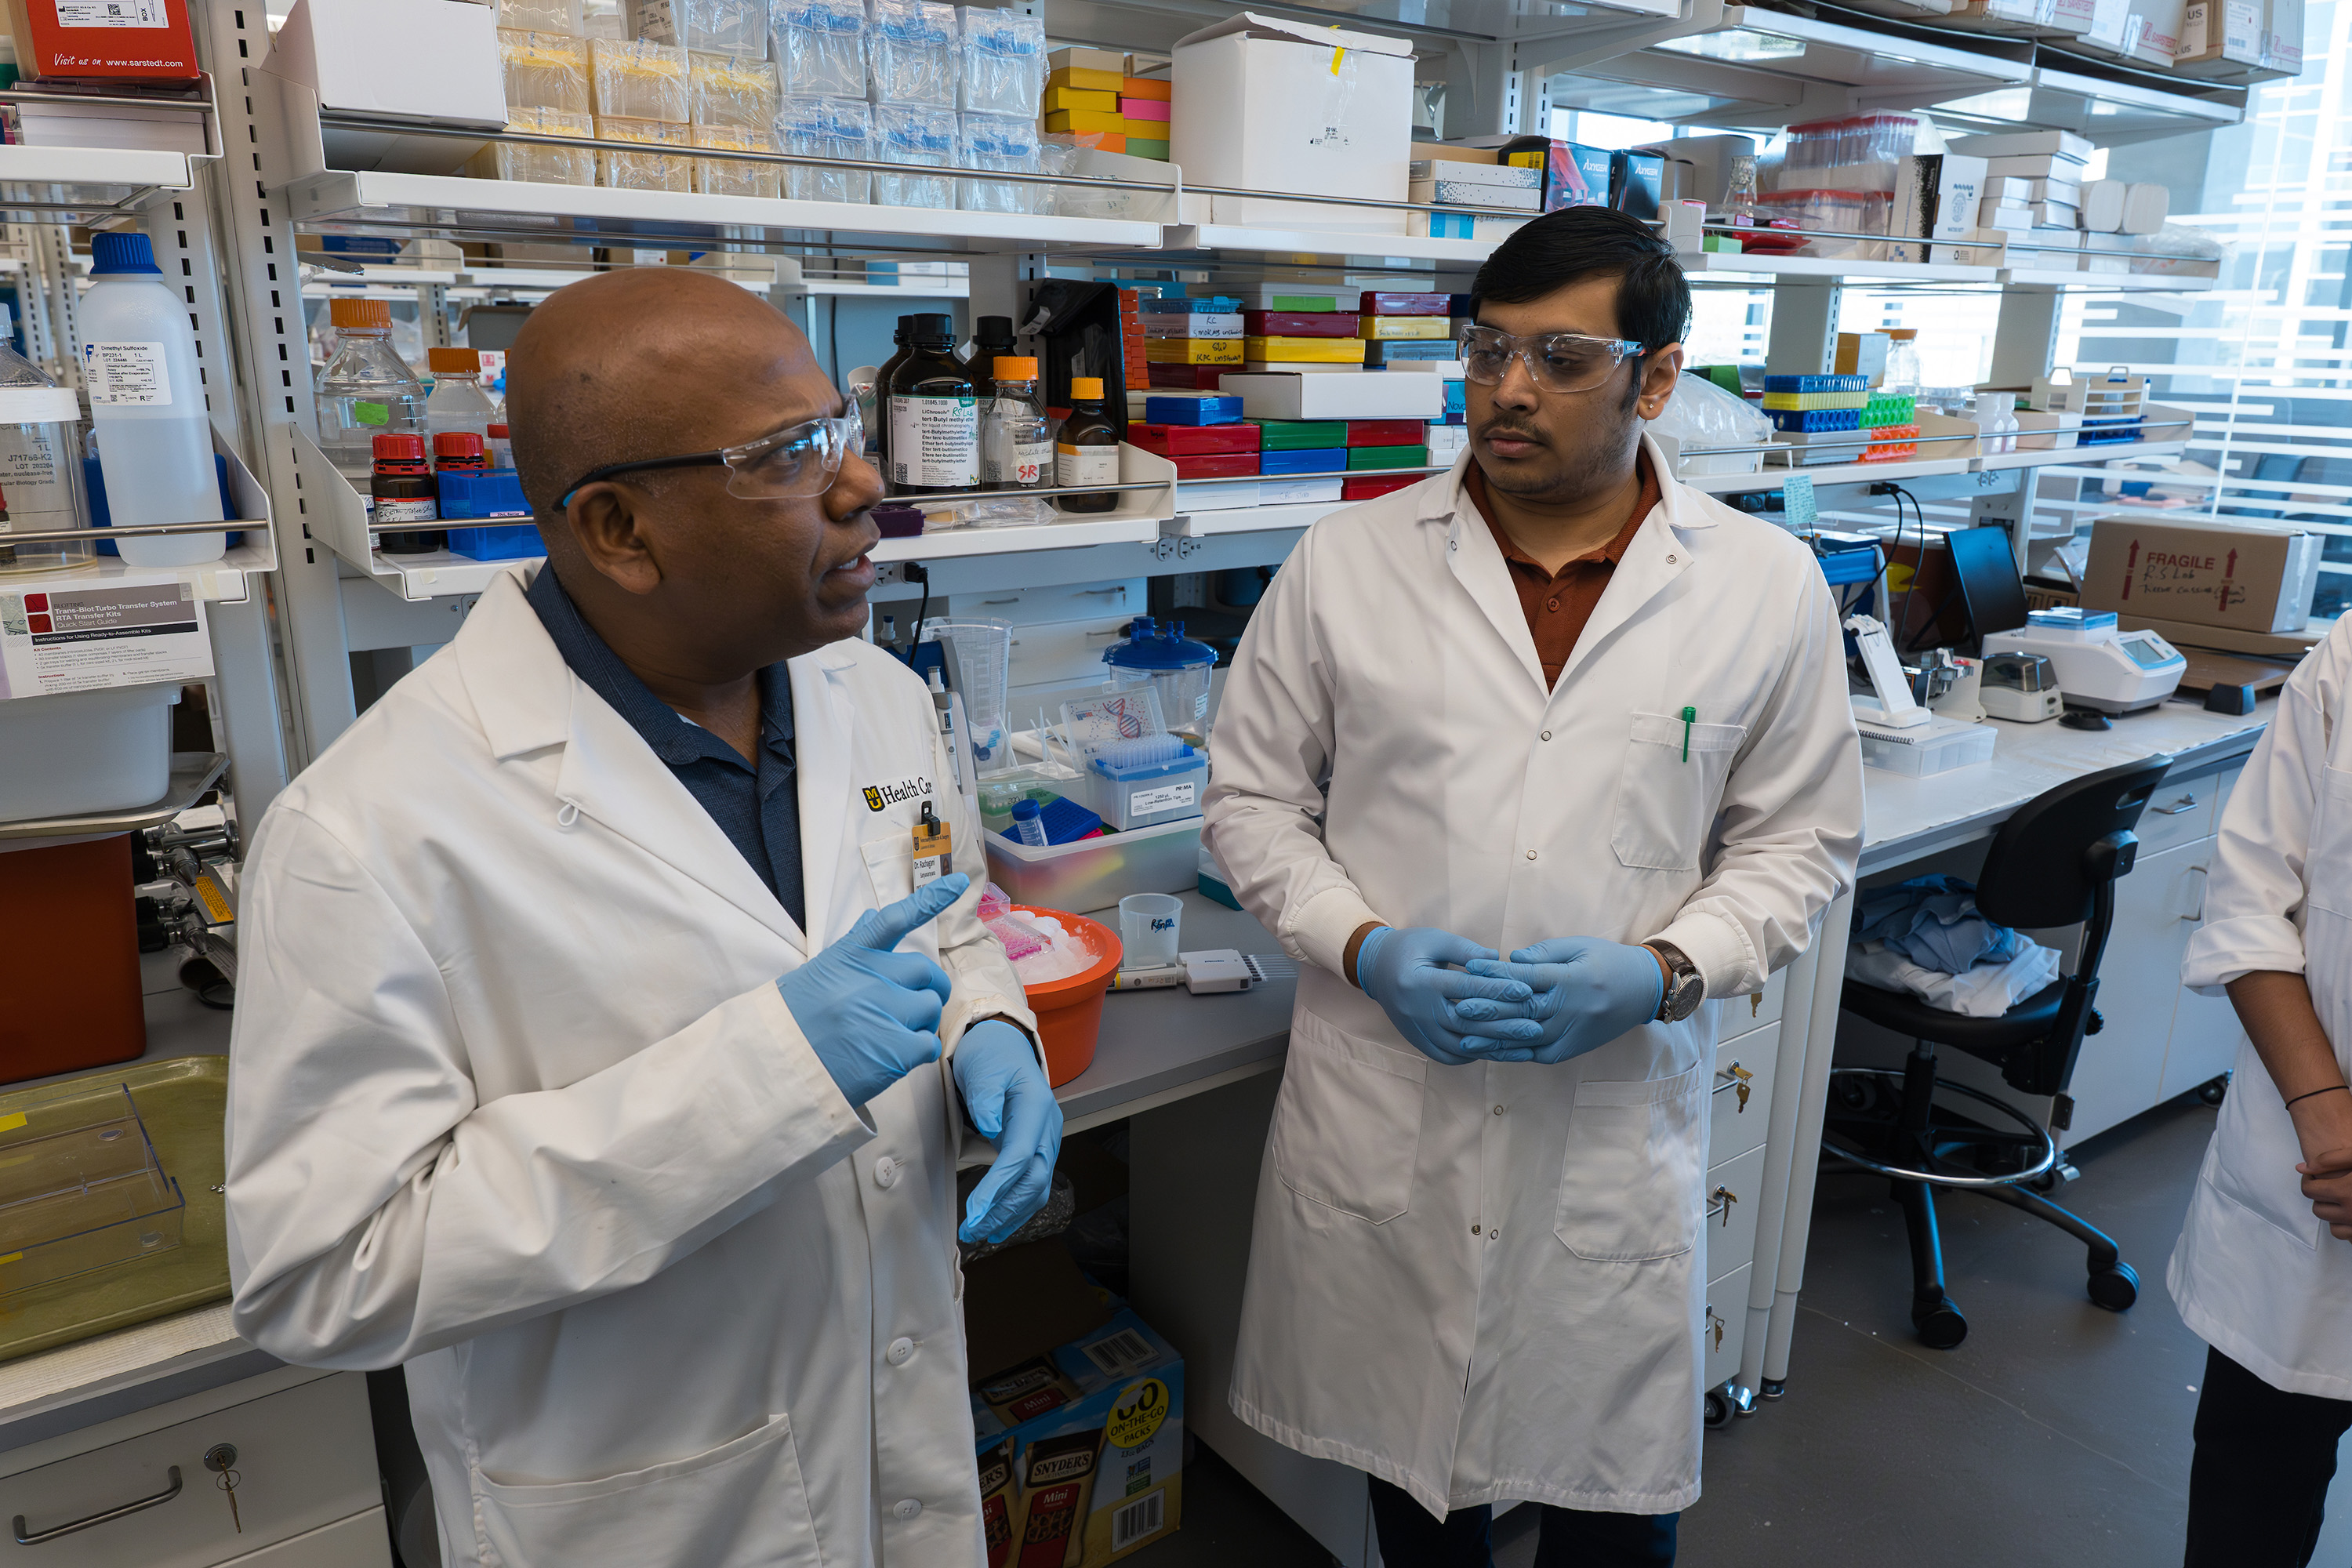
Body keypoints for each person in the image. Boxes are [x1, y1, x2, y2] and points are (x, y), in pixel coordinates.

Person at [225, 269, 1062, 1568]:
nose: (860, 491)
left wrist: (987, 1024)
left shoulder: (877, 698)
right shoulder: (371, 831)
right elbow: (326, 1270)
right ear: (619, 529)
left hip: (895, 1447)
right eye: (789, 457)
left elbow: (936, 925)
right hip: (647, 1506)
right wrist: (765, 1078)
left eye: (839, 430)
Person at [1203, 206, 1864, 1566]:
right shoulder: (1347, 562)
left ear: (1656, 378)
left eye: (1562, 357)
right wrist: (1363, 943)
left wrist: (1669, 968)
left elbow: (1800, 845)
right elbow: (1252, 801)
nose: (1509, 389)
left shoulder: (1764, 587)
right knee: (1417, 1505)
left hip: (1609, 1125)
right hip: (1393, 1099)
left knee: (1614, 1513)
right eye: (1488, 349)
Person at [2172, 616, 2352, 1568]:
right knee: (2250, 1504)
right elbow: (2249, 898)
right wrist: (2327, 1119)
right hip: (2307, 1190)